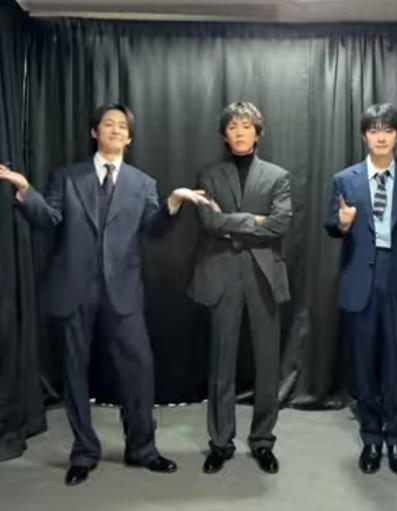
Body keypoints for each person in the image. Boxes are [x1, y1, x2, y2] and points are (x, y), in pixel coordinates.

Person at [0, 103, 211, 486]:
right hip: (72, 289)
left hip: (123, 291)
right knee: (73, 373)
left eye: (122, 126)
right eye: (108, 124)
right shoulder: (67, 177)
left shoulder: (143, 183)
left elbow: (154, 229)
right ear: (94, 132)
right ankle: (84, 452)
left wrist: (173, 203)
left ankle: (142, 448)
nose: (115, 130)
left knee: (139, 370)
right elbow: (49, 220)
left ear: (129, 137)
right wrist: (25, 190)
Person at [325, 103, 397, 476]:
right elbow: (332, 225)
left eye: (388, 129)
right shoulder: (345, 180)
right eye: (374, 130)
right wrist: (343, 223)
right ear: (364, 135)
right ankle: (372, 438)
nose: (381, 136)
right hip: (361, 278)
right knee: (364, 364)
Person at [190, 102, 292, 474]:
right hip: (223, 274)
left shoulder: (277, 176)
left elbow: (280, 223)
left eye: (246, 126)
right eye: (232, 126)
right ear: (224, 134)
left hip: (264, 275)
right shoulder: (209, 174)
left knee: (267, 363)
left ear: (257, 133)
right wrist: (253, 221)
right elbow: (208, 221)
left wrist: (232, 223)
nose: (239, 132)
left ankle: (263, 440)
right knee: (222, 362)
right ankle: (220, 442)